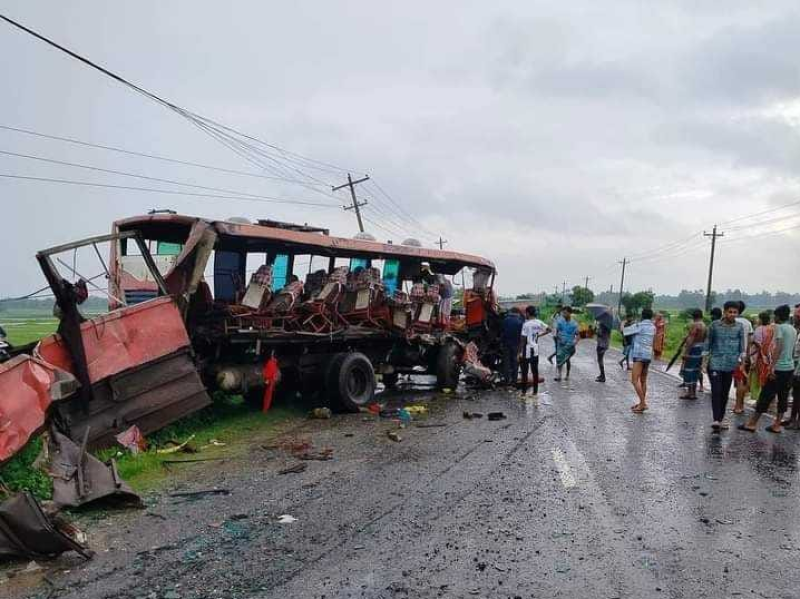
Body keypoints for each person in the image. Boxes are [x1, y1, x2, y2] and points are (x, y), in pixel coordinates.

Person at [739, 305, 798, 434]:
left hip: (778, 368)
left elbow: (778, 348)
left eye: (774, 316)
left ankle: (752, 423)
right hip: (789, 368)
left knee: (766, 395)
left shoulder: (779, 328)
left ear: (777, 316)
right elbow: (792, 350)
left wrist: (771, 367)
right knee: (783, 396)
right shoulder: (793, 329)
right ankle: (777, 424)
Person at [705, 301, 746, 431]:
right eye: (730, 312)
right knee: (716, 391)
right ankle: (716, 419)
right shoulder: (714, 326)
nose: (732, 314)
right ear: (725, 312)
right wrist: (703, 361)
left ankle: (720, 419)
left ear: (738, 313)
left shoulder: (739, 327)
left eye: (735, 312)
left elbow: (742, 348)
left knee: (725, 392)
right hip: (715, 363)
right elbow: (708, 344)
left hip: (731, 364)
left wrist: (742, 364)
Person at [623, 308, 656, 413]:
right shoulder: (653, 327)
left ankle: (642, 403)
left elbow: (625, 332)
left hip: (639, 355)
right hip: (648, 355)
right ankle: (642, 402)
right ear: (651, 316)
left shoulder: (639, 326)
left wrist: (623, 323)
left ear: (642, 316)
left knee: (634, 380)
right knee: (643, 380)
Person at [518, 306, 550, 396]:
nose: (525, 315)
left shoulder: (526, 324)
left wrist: (519, 352)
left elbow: (523, 339)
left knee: (524, 372)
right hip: (535, 350)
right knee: (535, 371)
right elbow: (549, 329)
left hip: (526, 350)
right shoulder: (539, 322)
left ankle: (523, 392)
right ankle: (535, 392)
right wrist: (539, 336)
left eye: (525, 313)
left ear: (528, 313)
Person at [679, 309, 707, 400]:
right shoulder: (704, 325)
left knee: (689, 371)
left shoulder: (695, 325)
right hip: (700, 349)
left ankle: (690, 393)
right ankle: (693, 393)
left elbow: (691, 339)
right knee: (695, 371)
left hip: (693, 349)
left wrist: (686, 353)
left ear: (693, 317)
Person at [732, 301, 754, 414]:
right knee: (743, 381)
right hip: (745, 356)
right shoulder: (748, 323)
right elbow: (750, 342)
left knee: (738, 381)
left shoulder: (732, 321)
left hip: (734, 356)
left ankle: (737, 406)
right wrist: (748, 356)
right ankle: (741, 405)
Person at [748, 311, 776, 403]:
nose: (757, 320)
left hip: (759, 357)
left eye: (758, 318)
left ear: (761, 319)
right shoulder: (772, 328)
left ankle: (758, 399)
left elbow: (757, 343)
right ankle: (767, 399)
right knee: (766, 377)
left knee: (757, 378)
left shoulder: (759, 329)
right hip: (769, 357)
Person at [554, 306, 579, 381]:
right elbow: (556, 332)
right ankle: (559, 375)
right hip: (560, 343)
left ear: (569, 313)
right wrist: (558, 337)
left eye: (565, 313)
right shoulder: (560, 321)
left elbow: (578, 335)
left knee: (567, 359)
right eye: (563, 313)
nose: (563, 314)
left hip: (569, 345)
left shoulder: (574, 324)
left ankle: (567, 374)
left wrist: (575, 342)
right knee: (559, 358)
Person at [501, 307, 524, 386]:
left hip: (506, 344)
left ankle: (506, 380)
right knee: (515, 362)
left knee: (506, 362)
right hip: (516, 345)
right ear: (517, 313)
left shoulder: (505, 320)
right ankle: (514, 380)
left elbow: (502, 332)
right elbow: (522, 336)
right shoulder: (520, 322)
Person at [595, 318, 611, 383]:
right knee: (600, 360)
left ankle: (603, 376)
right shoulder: (608, 325)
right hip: (605, 344)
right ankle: (601, 375)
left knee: (600, 360)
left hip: (601, 344)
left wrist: (596, 329)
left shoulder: (603, 325)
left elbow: (600, 333)